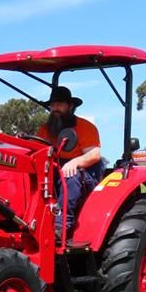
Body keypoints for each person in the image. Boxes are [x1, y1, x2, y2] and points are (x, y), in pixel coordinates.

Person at [36, 86, 105, 236]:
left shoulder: (85, 127)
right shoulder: (46, 130)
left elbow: (94, 155)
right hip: (57, 167)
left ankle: (61, 224)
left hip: (86, 171)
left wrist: (74, 162)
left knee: (70, 176)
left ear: (71, 106)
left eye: (59, 104)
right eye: (52, 105)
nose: (55, 108)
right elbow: (38, 150)